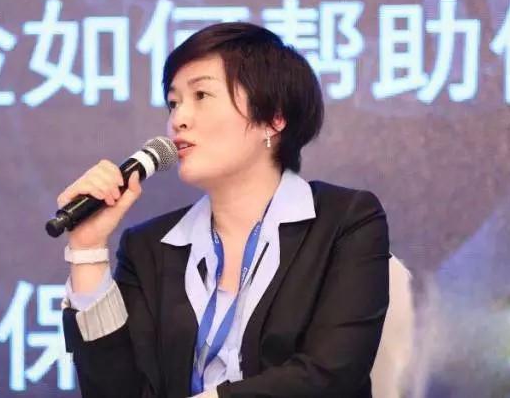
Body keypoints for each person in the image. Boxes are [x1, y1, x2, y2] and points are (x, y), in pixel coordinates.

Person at [59, 22, 390, 398]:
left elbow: (331, 373)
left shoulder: (345, 221)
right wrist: (87, 249)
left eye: (201, 95)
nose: (178, 119)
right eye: (174, 102)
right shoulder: (148, 247)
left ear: (273, 118)